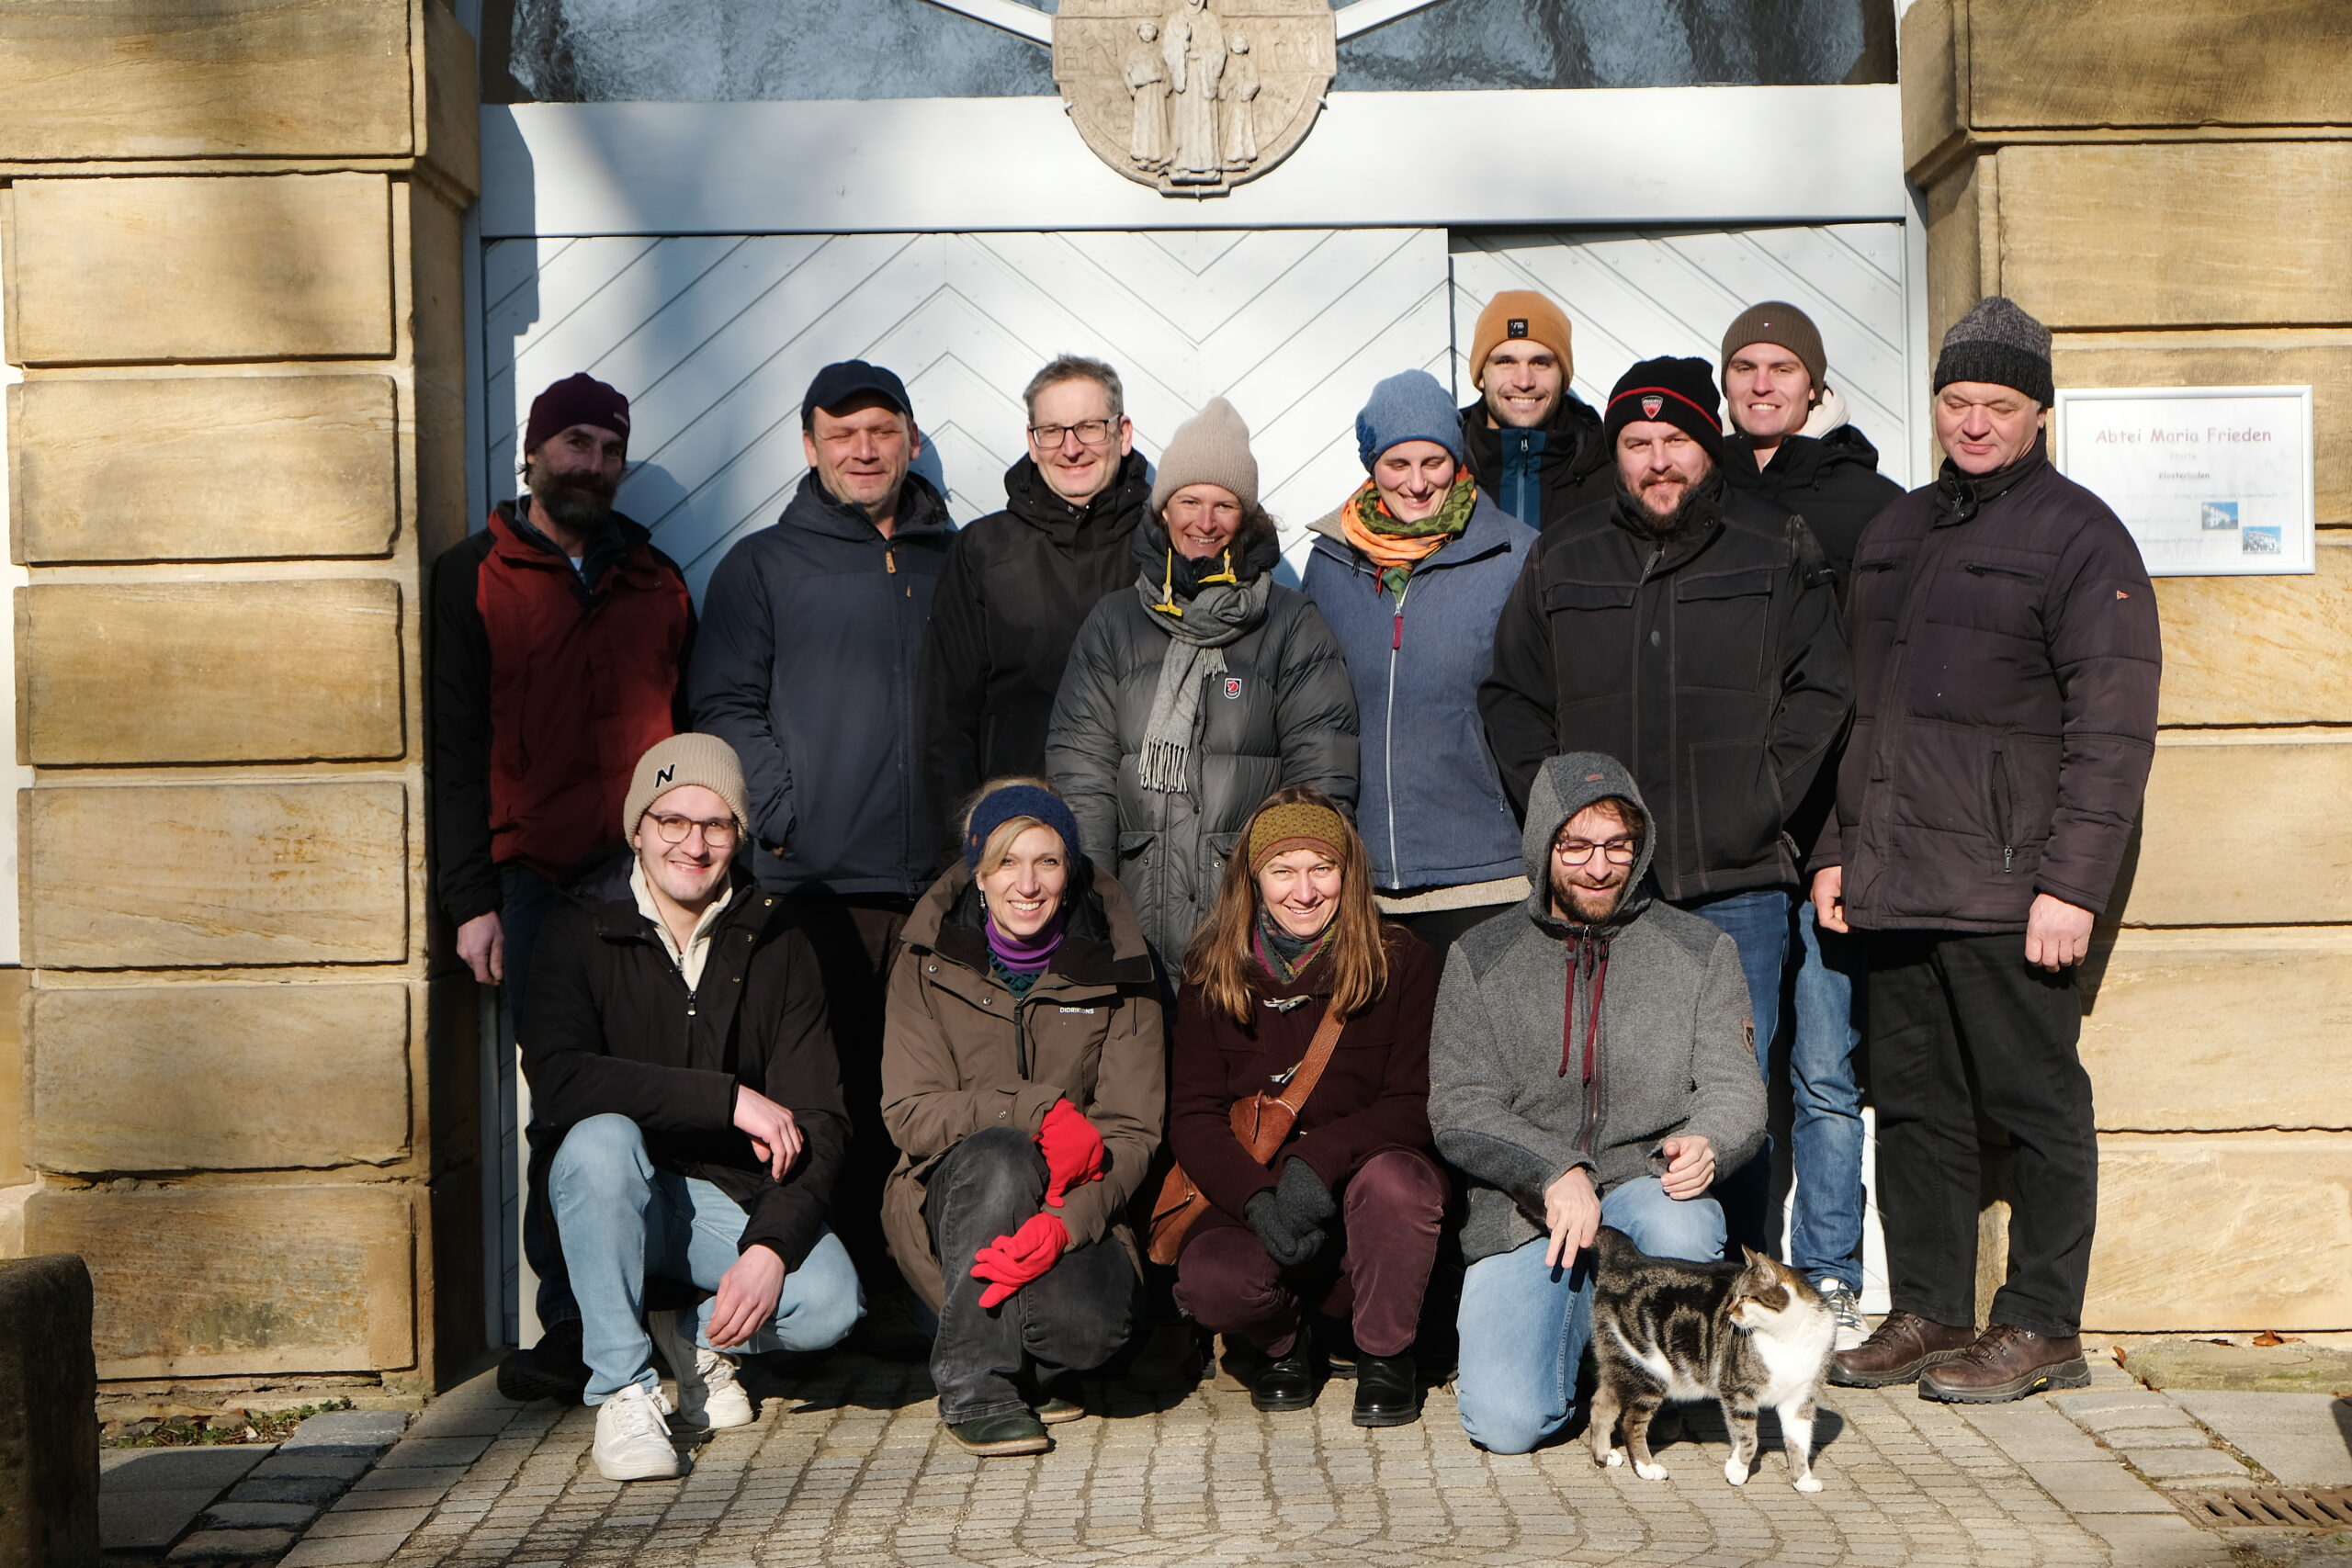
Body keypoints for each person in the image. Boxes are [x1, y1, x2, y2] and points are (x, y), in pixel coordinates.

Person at [1816, 298, 2160, 1404]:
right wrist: (1836, 850)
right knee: (1912, 1105)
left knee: (2037, 1104)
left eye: (1997, 406)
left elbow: (2112, 732)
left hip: (2011, 890)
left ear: (2040, 414)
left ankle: (2043, 1325)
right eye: (1956, 403)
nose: (1973, 424)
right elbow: (1860, 714)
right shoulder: (1896, 529)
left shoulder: (2081, 537)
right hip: (1894, 880)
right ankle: (1929, 1307)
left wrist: (2072, 886)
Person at [1480, 355, 1851, 1247]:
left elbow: (1821, 691)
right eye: (1636, 443)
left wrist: (1758, 802)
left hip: (1736, 882)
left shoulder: (1774, 546)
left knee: (1734, 1092)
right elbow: (1510, 698)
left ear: (1707, 446)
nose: (1656, 460)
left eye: (1675, 440)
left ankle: (1743, 1290)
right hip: (1602, 890)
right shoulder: (1563, 556)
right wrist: (1565, 820)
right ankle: (1619, 1293)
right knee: (1599, 1087)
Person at [429, 370, 695, 1404]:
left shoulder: (658, 581)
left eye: (607, 448)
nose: (590, 464)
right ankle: (572, 1328)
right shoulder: (475, 576)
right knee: (564, 1103)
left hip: (643, 878)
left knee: (666, 1082)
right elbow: (455, 747)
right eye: (573, 443)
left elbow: (690, 734)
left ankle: (673, 1305)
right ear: (534, 454)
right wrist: (471, 898)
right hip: (532, 880)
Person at [691, 358, 954, 1331]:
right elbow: (724, 708)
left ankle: (914, 1295)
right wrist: (787, 816)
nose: (862, 448)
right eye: (840, 433)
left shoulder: (954, 562)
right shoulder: (762, 567)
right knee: (826, 1097)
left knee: (921, 1097)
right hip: (810, 886)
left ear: (911, 441)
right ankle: (822, 1301)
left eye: (881, 429)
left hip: (936, 885)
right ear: (809, 447)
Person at [524, 734, 863, 1482]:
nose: (693, 843)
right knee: (603, 1139)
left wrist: (768, 1248)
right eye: (672, 819)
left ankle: (692, 1336)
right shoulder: (574, 929)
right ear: (637, 828)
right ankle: (622, 1388)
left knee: (830, 1302)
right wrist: (726, 1098)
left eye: (716, 824)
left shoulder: (778, 940)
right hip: (602, 1196)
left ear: (739, 835)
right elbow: (560, 1082)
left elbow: (822, 1118)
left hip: (719, 1201)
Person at [1431, 752, 1766, 1453]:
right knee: (1506, 1424)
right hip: (1527, 1212)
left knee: (1683, 1221)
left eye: (1618, 845)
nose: (1599, 866)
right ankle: (1589, 1357)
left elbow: (1736, 1089)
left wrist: (1709, 1139)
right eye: (1576, 846)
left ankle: (1653, 1376)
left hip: (1644, 1193)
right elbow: (1460, 1103)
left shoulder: (1700, 949)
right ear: (1543, 846)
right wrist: (1553, 1169)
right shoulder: (1480, 957)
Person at [1716, 300, 1905, 1348]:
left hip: (1834, 832)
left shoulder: (1867, 506)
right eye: (1743, 365)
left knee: (1826, 1075)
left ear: (1813, 382)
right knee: (1738, 1076)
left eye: (1780, 366)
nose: (1761, 382)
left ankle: (1830, 1273)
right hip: (1736, 839)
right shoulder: (1698, 493)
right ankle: (1749, 1271)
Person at [878, 779, 1165, 1455]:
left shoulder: (1122, 966)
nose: (1027, 882)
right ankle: (975, 1383)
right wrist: (1036, 1107)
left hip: (1076, 1196)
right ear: (977, 874)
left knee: (1089, 1330)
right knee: (1003, 1153)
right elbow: (910, 1112)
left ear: (1071, 873)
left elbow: (1133, 1128)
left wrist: (1066, 1224)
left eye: (1047, 860)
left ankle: (1025, 1359)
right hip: (953, 1193)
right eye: (1006, 861)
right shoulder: (924, 960)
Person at [1046, 396, 1359, 965]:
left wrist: (1294, 907)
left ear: (1247, 518)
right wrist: (1094, 905)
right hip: (1135, 914)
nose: (1205, 522)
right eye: (1189, 501)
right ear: (1164, 510)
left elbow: (1322, 774)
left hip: (1250, 922)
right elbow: (1081, 771)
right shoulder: (1115, 624)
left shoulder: (1290, 623)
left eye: (1224, 504)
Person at [1168, 790, 1444, 1426]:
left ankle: (1385, 1353)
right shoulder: (1211, 971)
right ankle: (1287, 1343)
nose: (1305, 890)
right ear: (1254, 879)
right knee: (1211, 1277)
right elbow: (1193, 1115)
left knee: (1400, 1184)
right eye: (1283, 868)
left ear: (1348, 875)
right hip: (1256, 1190)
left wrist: (1319, 1160)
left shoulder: (1401, 960)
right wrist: (1258, 1200)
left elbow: (1418, 1100)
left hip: (1364, 1198)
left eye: (1322, 867)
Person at [1302, 369, 1530, 954]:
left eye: (1433, 462)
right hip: (1360, 880)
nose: (1418, 483)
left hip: (1482, 871)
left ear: (1457, 461)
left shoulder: (1514, 553)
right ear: (1371, 466)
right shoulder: (1330, 562)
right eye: (1397, 464)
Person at [920, 355, 1151, 852]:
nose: (1071, 448)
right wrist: (969, 843)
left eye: (1089, 427)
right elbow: (945, 719)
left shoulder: (1164, 543)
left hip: (1145, 842)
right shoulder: (983, 552)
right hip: (1018, 843)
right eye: (1052, 431)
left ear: (1123, 432)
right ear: (1031, 441)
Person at [1457, 291, 1611, 531]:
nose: (1524, 381)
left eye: (1540, 363)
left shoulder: (1610, 471)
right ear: (1481, 375)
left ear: (1563, 376)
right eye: (1505, 362)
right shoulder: (1444, 467)